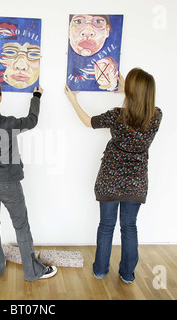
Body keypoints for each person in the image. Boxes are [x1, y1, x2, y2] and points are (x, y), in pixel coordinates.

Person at [65, 68, 162, 283]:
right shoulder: (156, 117)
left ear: (132, 91)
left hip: (110, 179)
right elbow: (141, 106)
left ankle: (100, 270)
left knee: (106, 226)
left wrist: (73, 99)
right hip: (136, 182)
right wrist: (127, 91)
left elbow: (88, 122)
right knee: (129, 227)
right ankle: (127, 275)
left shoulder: (117, 116)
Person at [0, 77, 57, 281]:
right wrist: (36, 96)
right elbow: (32, 120)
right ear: (0, 98)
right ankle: (33, 272)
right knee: (21, 226)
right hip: (7, 182)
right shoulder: (9, 123)